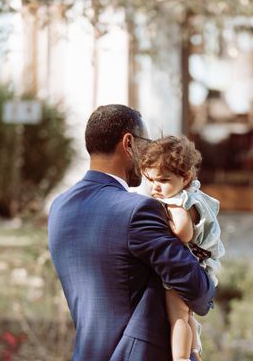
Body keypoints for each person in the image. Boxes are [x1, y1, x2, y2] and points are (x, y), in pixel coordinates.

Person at [48, 104, 215, 361]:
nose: (149, 155)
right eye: (146, 144)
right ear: (128, 143)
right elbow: (196, 288)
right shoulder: (137, 209)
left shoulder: (59, 207)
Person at [140, 136, 225, 361]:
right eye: (149, 180)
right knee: (187, 316)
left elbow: (184, 232)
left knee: (177, 315)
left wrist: (163, 219)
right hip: (202, 266)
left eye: (163, 180)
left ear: (185, 178)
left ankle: (180, 358)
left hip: (191, 266)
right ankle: (194, 352)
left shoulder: (177, 203)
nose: (155, 187)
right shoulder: (191, 194)